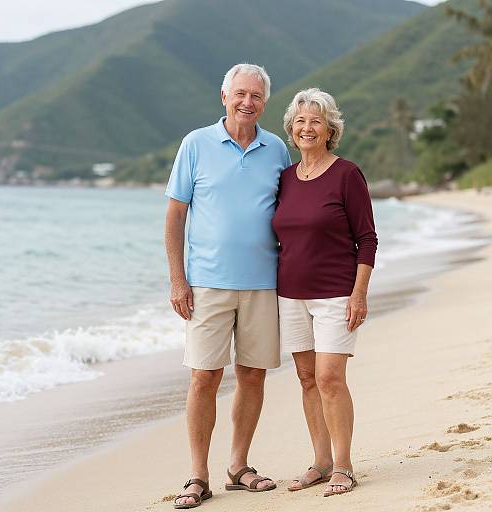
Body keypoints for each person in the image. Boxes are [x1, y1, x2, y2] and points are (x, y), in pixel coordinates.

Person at [165, 63, 291, 509]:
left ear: (264, 102)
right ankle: (197, 475)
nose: (247, 102)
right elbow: (175, 215)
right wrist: (178, 280)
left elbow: (291, 215)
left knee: (253, 374)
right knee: (204, 377)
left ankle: (238, 466)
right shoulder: (195, 144)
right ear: (224, 96)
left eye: (255, 96)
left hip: (263, 284)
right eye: (240, 94)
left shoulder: (277, 149)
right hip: (207, 284)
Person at [272, 88, 378, 497]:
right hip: (291, 294)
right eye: (299, 121)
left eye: (315, 120)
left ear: (330, 128)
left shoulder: (347, 174)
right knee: (306, 378)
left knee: (329, 376)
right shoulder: (285, 178)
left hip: (336, 293)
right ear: (291, 129)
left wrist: (359, 294)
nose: (306, 127)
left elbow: (367, 239)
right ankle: (320, 461)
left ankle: (345, 465)